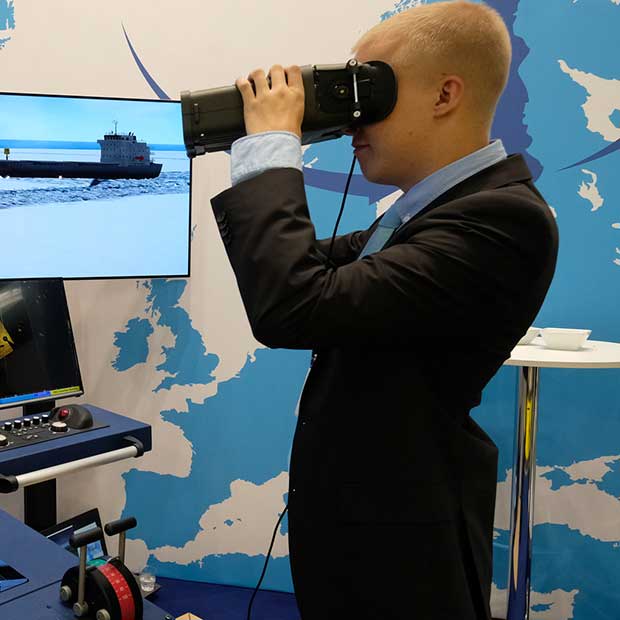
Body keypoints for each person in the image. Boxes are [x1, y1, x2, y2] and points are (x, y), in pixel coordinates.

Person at [210, 1, 559, 618]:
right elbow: (289, 272)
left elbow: (291, 304)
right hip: (366, 531)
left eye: (369, 90)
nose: (352, 122)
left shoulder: (501, 218)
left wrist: (272, 146)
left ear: (445, 94)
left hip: (406, 552)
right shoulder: (420, 215)